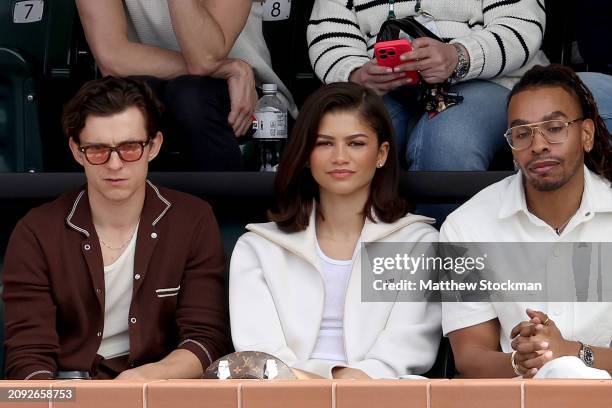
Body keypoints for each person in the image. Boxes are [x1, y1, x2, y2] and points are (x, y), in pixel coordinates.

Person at [2, 77, 228, 380]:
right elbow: (28, 358)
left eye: (130, 147)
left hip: (159, 392)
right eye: (97, 150)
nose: (115, 164)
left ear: (154, 146)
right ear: (76, 151)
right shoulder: (36, 232)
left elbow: (205, 339)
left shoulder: (191, 219)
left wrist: (144, 382)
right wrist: (63, 401)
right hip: (67, 395)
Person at [229, 82, 441, 379]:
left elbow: (406, 350)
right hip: (285, 397)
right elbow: (261, 353)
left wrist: (347, 383)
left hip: (379, 394)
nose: (339, 157)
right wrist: (313, 386)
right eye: (324, 143)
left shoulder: (420, 242)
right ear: (305, 154)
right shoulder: (258, 247)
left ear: (381, 154)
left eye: (355, 143)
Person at [440, 64, 612, 379]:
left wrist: (570, 353)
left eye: (555, 127)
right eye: (522, 133)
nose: (538, 145)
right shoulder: (466, 226)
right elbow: (471, 356)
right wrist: (521, 361)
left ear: (586, 134)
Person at [307, 0, 612, 173]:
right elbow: (328, 35)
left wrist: (459, 57)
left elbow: (521, 27)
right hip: (385, 89)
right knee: (346, 141)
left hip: (488, 79)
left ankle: (458, 275)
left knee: (448, 142)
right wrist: (355, 73)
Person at [76, 0, 296, 171]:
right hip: (153, 92)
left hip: (251, 102)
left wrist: (221, 68)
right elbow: (112, 57)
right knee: (136, 101)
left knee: (190, 96)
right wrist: (229, 69)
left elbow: (205, 57)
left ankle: (229, 221)